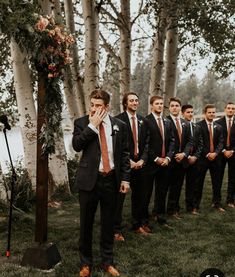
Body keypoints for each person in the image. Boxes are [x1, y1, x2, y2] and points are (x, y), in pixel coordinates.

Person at [72, 89, 130, 277]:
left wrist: (125, 178)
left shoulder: (119, 125)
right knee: (86, 224)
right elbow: (77, 145)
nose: (94, 109)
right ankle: (85, 263)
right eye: (92, 105)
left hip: (111, 180)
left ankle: (107, 261)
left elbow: (124, 154)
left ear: (107, 106)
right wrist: (92, 126)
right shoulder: (81, 123)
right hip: (89, 181)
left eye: (98, 106)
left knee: (108, 223)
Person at [114, 92, 150, 240]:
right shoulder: (117, 120)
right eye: (131, 101)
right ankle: (116, 230)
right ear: (125, 103)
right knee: (119, 198)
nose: (135, 103)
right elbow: (117, 145)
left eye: (136, 100)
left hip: (140, 165)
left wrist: (142, 160)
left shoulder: (143, 120)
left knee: (139, 197)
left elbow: (147, 143)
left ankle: (137, 225)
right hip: (125, 165)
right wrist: (128, 161)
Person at [143, 95, 175, 227]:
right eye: (157, 103)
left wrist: (168, 157)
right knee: (146, 192)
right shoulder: (146, 121)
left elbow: (172, 141)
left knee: (162, 192)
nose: (160, 106)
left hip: (165, 163)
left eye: (161, 103)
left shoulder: (167, 121)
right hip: (151, 164)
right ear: (151, 105)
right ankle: (144, 220)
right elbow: (145, 144)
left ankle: (161, 217)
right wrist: (155, 158)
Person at [166, 97, 193, 219]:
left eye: (177, 105)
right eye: (172, 105)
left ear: (179, 108)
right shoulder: (164, 121)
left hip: (182, 160)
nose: (174, 107)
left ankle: (174, 209)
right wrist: (171, 155)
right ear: (169, 108)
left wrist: (184, 154)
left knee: (177, 186)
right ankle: (158, 211)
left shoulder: (185, 123)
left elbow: (189, 142)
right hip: (169, 160)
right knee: (164, 187)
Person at [197, 104, 224, 212]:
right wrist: (207, 154)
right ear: (205, 113)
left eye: (213, 112)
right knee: (199, 183)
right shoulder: (198, 126)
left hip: (216, 159)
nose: (212, 114)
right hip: (203, 159)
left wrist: (216, 153)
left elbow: (221, 142)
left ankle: (217, 203)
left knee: (217, 182)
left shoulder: (218, 126)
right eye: (210, 112)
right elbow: (199, 143)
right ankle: (195, 205)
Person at [181, 104, 203, 214]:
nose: (190, 114)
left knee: (192, 185)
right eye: (188, 112)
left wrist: (195, 156)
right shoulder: (180, 125)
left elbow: (200, 144)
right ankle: (173, 208)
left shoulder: (197, 127)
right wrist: (187, 156)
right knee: (177, 185)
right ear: (183, 113)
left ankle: (191, 207)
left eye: (191, 112)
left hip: (194, 160)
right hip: (183, 159)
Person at [216, 102, 235, 208]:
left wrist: (231, 151)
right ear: (225, 109)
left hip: (233, 153)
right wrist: (223, 150)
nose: (231, 110)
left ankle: (230, 200)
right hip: (221, 153)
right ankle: (217, 201)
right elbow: (216, 139)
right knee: (218, 177)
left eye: (233, 109)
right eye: (229, 108)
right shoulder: (218, 123)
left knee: (233, 178)